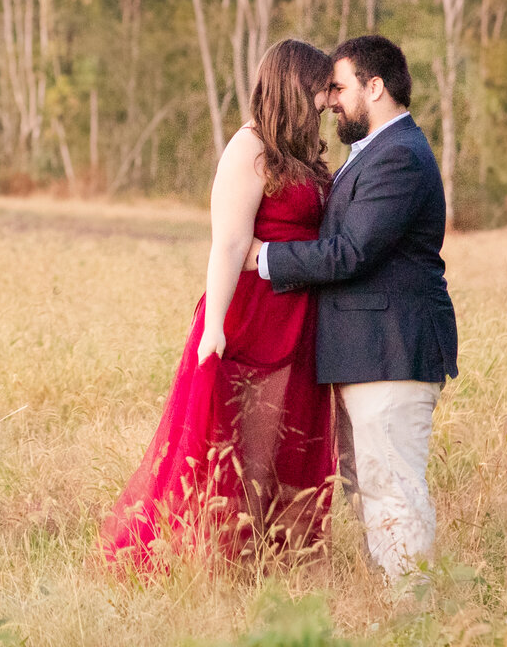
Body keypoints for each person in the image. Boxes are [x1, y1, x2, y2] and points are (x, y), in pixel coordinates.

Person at [103, 39, 338, 568]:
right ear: (296, 87)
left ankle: (276, 555)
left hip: (297, 314)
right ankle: (217, 557)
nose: (327, 100)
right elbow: (229, 242)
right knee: (241, 439)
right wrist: (214, 328)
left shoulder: (299, 154)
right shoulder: (249, 148)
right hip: (252, 313)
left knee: (284, 436)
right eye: (321, 89)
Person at [250, 34, 457, 580]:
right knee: (369, 493)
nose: (331, 100)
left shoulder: (399, 158)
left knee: (393, 490)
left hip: (390, 353)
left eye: (339, 88)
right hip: (363, 355)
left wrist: (264, 258)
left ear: (375, 86)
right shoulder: (372, 153)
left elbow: (354, 251)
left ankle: (415, 616)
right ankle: (397, 611)